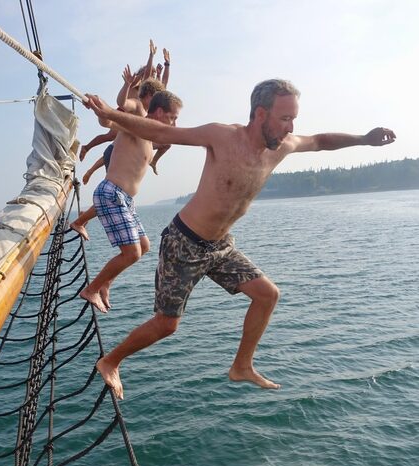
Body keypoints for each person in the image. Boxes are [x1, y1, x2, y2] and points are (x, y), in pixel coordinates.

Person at [84, 79, 396, 399]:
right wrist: (111, 113)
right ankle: (111, 361)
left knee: (267, 295)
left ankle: (242, 366)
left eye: (293, 119)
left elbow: (320, 140)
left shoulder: (284, 145)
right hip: (185, 243)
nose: (291, 127)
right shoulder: (222, 135)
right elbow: (163, 133)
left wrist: (364, 139)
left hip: (221, 246)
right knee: (166, 325)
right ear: (261, 114)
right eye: (285, 118)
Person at [79, 90, 182, 314]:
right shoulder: (133, 125)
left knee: (144, 247)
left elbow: (168, 138)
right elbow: (109, 119)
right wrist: (101, 108)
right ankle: (92, 289)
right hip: (112, 193)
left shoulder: (148, 137)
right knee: (132, 252)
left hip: (125, 199)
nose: (174, 122)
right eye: (172, 117)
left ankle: (105, 283)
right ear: (158, 112)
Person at [70, 76, 166, 240]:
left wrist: (165, 67)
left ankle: (83, 217)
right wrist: (95, 99)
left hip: (124, 184)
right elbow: (120, 106)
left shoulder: (147, 127)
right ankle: (81, 219)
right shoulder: (137, 109)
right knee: (113, 192)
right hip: (116, 169)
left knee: (142, 245)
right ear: (150, 95)